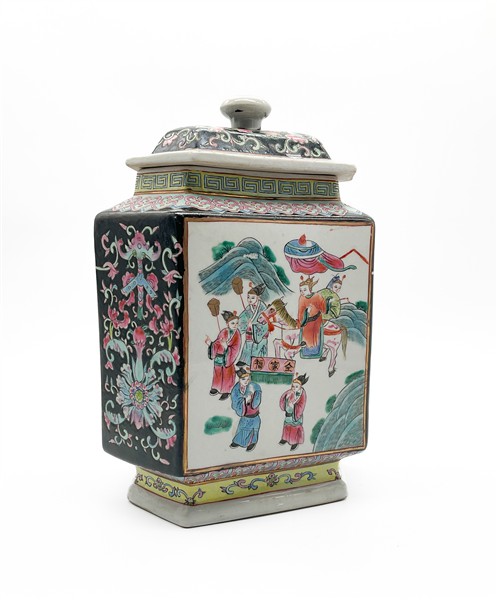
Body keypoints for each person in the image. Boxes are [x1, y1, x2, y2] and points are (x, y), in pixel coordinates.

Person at [205, 311, 241, 400]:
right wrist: (210, 344)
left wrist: (226, 347)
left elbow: (236, 347)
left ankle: (226, 391)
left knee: (227, 374)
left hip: (228, 358)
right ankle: (216, 387)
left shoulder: (237, 334)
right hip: (219, 357)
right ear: (227, 323)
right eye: (233, 323)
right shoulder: (223, 332)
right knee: (217, 373)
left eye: (237, 323)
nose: (235, 325)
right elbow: (217, 343)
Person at [230, 364, 262, 451]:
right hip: (245, 414)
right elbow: (235, 401)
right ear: (239, 379)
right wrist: (244, 400)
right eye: (243, 379)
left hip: (254, 414)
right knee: (242, 428)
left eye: (248, 379)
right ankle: (238, 441)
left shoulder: (254, 386)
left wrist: (254, 397)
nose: (246, 381)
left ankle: (252, 442)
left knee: (253, 430)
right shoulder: (236, 389)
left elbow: (257, 399)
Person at [238, 282, 269, 365]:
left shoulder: (263, 307)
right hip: (250, 332)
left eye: (252, 298)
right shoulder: (249, 308)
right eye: (248, 297)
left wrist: (252, 324)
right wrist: (240, 323)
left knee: (257, 348)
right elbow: (242, 318)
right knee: (248, 345)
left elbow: (264, 321)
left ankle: (255, 363)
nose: (249, 300)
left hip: (259, 333)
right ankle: (244, 361)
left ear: (258, 298)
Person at [297, 276, 326, 358]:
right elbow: (300, 311)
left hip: (317, 319)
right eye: (300, 290)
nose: (302, 292)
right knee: (306, 336)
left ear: (310, 289)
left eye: (304, 289)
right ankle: (306, 352)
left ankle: (316, 352)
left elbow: (323, 308)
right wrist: (306, 312)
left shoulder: (317, 296)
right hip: (306, 321)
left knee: (316, 335)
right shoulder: (301, 298)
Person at [279, 373, 308, 450]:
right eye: (293, 386)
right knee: (287, 425)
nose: (294, 388)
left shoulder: (302, 394)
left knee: (294, 427)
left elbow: (302, 405)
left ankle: (294, 442)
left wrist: (294, 406)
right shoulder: (290, 391)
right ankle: (285, 438)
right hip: (288, 413)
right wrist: (286, 399)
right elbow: (283, 397)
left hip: (295, 414)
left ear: (300, 386)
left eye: (296, 386)